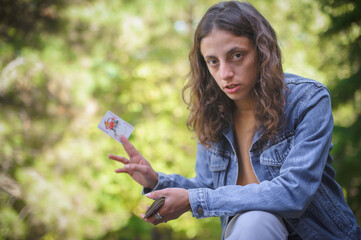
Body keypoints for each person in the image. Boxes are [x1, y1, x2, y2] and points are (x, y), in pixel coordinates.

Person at [108, 1, 361, 239]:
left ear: (262, 51)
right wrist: (156, 181)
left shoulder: (308, 100)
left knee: (255, 219)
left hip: (315, 234)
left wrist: (196, 200)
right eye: (213, 62)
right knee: (253, 220)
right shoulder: (212, 114)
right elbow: (206, 185)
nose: (225, 74)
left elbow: (293, 193)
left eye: (237, 55)